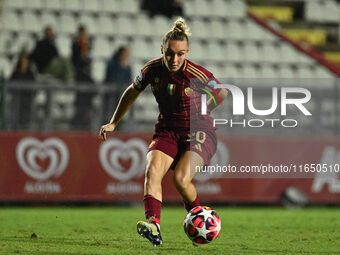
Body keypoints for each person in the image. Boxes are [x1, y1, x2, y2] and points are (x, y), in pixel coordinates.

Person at [99, 17, 227, 246]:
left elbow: (223, 92)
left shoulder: (195, 74)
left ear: (187, 52)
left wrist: (204, 109)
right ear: (162, 50)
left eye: (180, 54)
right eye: (170, 53)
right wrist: (113, 122)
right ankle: (154, 226)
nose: (175, 59)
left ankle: (201, 218)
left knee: (180, 179)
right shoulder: (151, 70)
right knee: (152, 171)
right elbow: (131, 91)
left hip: (198, 133)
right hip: (167, 130)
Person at [71, 25, 93, 129]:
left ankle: (85, 118)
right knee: (80, 97)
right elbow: (76, 60)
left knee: (87, 95)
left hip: (86, 75)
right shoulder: (76, 45)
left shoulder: (88, 45)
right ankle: (78, 119)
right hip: (80, 75)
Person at [103, 46, 132, 124]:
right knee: (110, 111)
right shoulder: (112, 64)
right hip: (111, 93)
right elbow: (109, 77)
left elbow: (128, 79)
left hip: (121, 93)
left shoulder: (127, 67)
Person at [10, 52, 35, 129]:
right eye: (22, 62)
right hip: (16, 101)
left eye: (26, 62)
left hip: (27, 101)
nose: (24, 64)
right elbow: (10, 85)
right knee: (15, 119)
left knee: (26, 120)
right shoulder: (15, 73)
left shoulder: (30, 74)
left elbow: (34, 88)